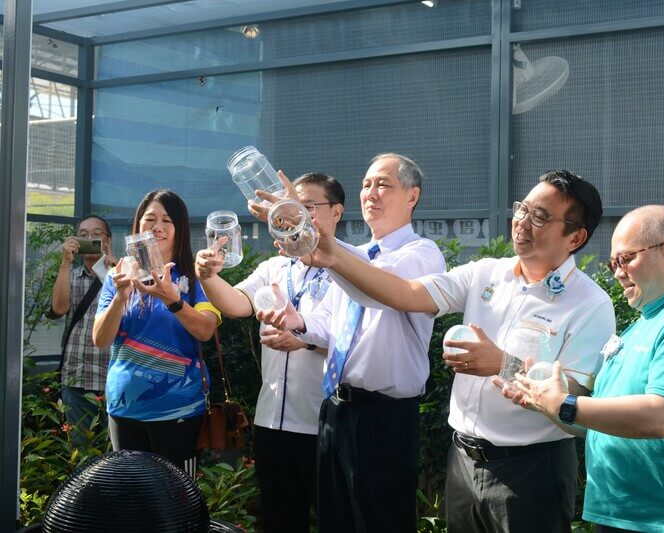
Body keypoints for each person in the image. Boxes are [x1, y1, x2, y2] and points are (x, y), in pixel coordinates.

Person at [271, 169, 615, 532]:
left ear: (575, 237)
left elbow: (577, 400)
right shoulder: (488, 273)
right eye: (522, 209)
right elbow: (405, 293)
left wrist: (503, 364)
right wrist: (332, 256)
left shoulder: (590, 303)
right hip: (464, 460)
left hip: (531, 469)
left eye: (540, 217)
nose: (522, 222)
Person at [506, 205, 664, 533]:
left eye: (626, 259)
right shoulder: (639, 327)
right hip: (623, 515)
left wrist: (565, 404)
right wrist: (546, 402)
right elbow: (599, 423)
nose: (617, 272)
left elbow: (661, 417)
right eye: (612, 263)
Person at [263, 154, 446, 533]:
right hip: (335, 411)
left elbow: (376, 288)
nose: (371, 193)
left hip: (384, 418)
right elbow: (332, 325)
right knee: (335, 521)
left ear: (412, 196)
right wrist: (298, 322)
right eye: (366, 185)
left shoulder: (422, 254)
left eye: (383, 184)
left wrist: (314, 236)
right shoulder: (352, 256)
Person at [195, 173, 345, 533]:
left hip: (325, 422)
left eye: (308, 206)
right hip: (272, 421)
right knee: (279, 518)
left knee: (335, 519)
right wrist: (208, 276)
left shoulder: (347, 268)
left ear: (336, 212)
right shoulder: (275, 266)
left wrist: (307, 341)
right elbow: (237, 303)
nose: (294, 215)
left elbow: (358, 337)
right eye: (291, 205)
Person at [93, 189, 220, 477]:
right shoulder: (118, 276)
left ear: (180, 229)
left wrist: (173, 300)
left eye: (167, 220)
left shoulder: (195, 277)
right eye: (150, 219)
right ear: (138, 225)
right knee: (131, 492)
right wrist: (120, 297)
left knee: (176, 495)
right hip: (124, 409)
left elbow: (205, 330)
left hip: (180, 408)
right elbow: (100, 339)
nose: (157, 227)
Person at [49, 214, 116, 439]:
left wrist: (113, 268)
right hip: (75, 378)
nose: (90, 238)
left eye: (97, 234)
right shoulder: (70, 276)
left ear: (108, 240)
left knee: (114, 449)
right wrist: (65, 262)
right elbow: (59, 308)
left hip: (111, 378)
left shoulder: (121, 273)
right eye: (83, 235)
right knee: (80, 447)